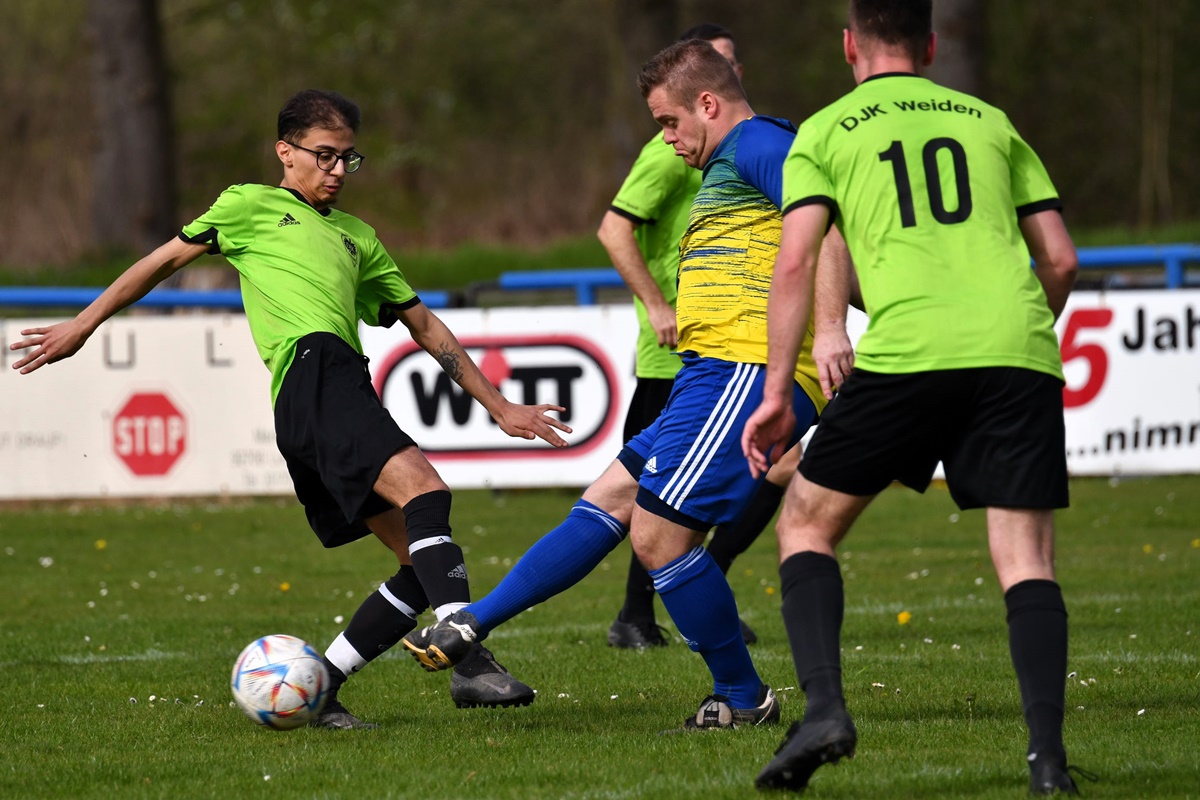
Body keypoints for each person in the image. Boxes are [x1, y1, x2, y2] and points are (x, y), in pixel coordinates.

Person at [9, 89, 572, 729]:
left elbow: (422, 323)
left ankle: (322, 686)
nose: (336, 171)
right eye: (324, 156)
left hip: (335, 385)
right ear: (286, 152)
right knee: (427, 493)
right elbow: (161, 261)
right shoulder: (248, 204)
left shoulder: (360, 237)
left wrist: (498, 405)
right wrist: (84, 324)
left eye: (348, 160)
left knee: (419, 566)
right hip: (312, 373)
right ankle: (470, 664)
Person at [403, 40, 851, 731]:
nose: (666, 139)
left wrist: (828, 330)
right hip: (706, 374)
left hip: (745, 370)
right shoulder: (725, 163)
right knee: (609, 498)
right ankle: (472, 621)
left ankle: (744, 697)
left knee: (660, 539)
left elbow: (830, 224)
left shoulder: (762, 142)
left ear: (708, 103)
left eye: (669, 122)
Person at [742, 0, 1082, 792]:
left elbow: (795, 263)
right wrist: (1016, 336)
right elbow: (1059, 259)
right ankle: (1048, 762)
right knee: (1026, 558)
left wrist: (774, 390)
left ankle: (824, 707)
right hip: (1016, 349)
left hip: (907, 353)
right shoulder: (991, 120)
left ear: (849, 45)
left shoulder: (825, 130)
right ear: (930, 45)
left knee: (805, 527)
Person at [598, 22, 799, 650]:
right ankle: (641, 611)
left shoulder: (748, 146)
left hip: (737, 345)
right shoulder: (669, 148)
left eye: (731, 60)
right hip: (685, 350)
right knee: (647, 493)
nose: (729, 69)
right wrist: (658, 303)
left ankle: (697, 586)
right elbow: (613, 228)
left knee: (778, 466)